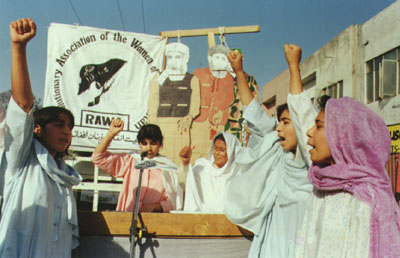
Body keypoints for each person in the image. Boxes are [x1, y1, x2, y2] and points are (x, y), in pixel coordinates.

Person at [285, 44, 400, 257]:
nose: (309, 132)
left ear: (342, 138)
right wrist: (293, 67)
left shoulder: (368, 200)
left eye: (318, 126)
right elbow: (301, 117)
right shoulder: (324, 181)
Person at [0, 18, 82, 258]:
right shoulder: (21, 160)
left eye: (70, 127)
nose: (67, 132)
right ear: (37, 129)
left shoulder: (65, 177)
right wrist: (19, 48)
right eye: (59, 125)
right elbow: (24, 104)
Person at [223, 47, 315, 257]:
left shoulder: (310, 160)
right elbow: (254, 115)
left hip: (302, 234)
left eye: (285, 122)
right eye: (279, 122)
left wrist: (293, 66)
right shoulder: (276, 150)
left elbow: (301, 112)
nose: (279, 129)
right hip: (274, 233)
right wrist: (239, 72)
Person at [91, 119, 183, 212]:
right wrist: (111, 133)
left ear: (160, 144)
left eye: (153, 143)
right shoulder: (131, 161)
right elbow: (97, 158)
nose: (149, 148)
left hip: (155, 220)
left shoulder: (168, 167)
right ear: (139, 144)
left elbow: (176, 199)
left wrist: (158, 206)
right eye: (144, 143)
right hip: (127, 217)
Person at [148, 42, 200, 164]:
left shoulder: (192, 79)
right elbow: (152, 101)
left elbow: (196, 101)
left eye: (177, 57)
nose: (173, 61)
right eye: (170, 57)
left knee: (180, 160)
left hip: (181, 126)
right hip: (161, 124)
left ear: (185, 58)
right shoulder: (158, 79)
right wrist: (152, 122)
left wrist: (190, 116)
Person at [180, 132, 240, 212]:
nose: (217, 153)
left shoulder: (237, 174)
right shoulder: (201, 169)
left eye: (222, 150)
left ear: (231, 152)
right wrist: (185, 163)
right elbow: (186, 183)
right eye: (215, 148)